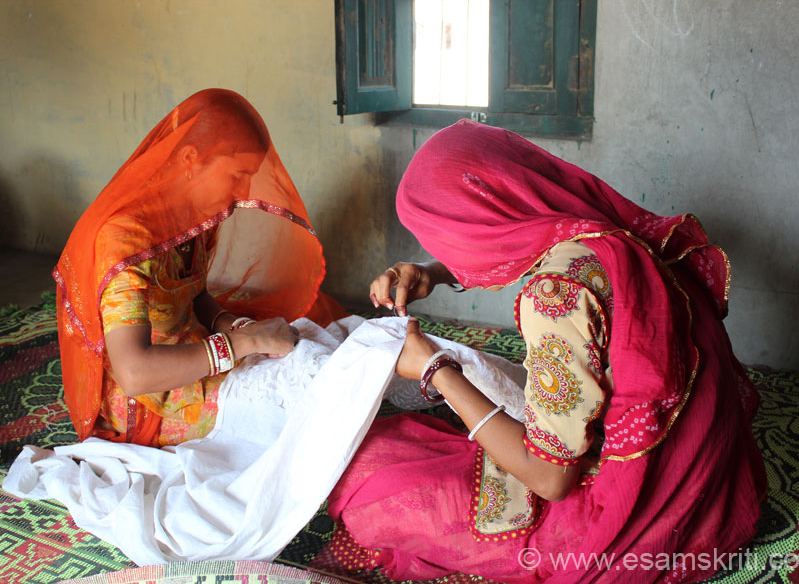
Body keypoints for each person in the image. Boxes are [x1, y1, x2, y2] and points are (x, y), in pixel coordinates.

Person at [326, 120, 766, 583]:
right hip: (704, 473)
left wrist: (435, 369)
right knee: (402, 447)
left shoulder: (554, 297)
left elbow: (551, 480)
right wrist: (434, 271)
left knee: (367, 481)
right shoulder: (604, 234)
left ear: (480, 221)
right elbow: (526, 251)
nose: (442, 248)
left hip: (632, 517)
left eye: (444, 235)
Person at [54, 88, 345, 447]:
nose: (242, 191)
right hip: (152, 399)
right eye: (237, 175)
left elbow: (195, 296)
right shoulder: (125, 241)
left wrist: (235, 325)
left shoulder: (192, 217)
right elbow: (134, 372)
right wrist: (245, 341)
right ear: (191, 159)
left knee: (326, 350)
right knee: (311, 402)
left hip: (198, 352)